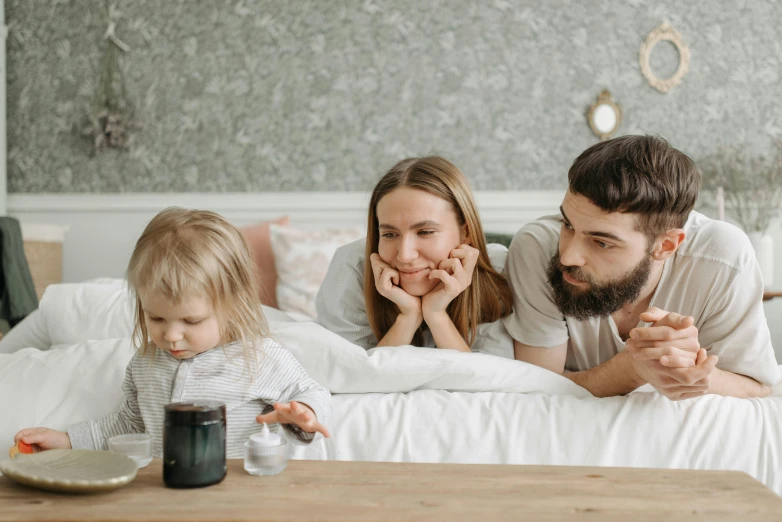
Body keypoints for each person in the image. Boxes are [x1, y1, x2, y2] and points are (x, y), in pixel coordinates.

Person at [14, 208, 331, 457]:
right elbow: (129, 424)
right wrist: (68, 440)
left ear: (233, 306)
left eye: (191, 322)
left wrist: (304, 411)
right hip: (164, 495)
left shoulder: (258, 356)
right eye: (156, 318)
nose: (172, 336)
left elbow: (311, 390)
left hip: (236, 495)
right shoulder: (146, 363)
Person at [504, 135, 780, 400]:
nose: (568, 257)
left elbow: (758, 386)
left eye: (601, 243)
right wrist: (632, 370)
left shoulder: (723, 258)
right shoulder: (537, 248)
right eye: (568, 225)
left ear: (666, 246)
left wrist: (690, 371)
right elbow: (536, 386)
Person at [316, 156, 514, 358]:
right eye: (390, 234)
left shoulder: (497, 269)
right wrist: (408, 317)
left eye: (425, 232)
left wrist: (436, 316)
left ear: (466, 233)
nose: (405, 255)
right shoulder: (353, 267)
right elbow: (350, 376)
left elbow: (488, 378)